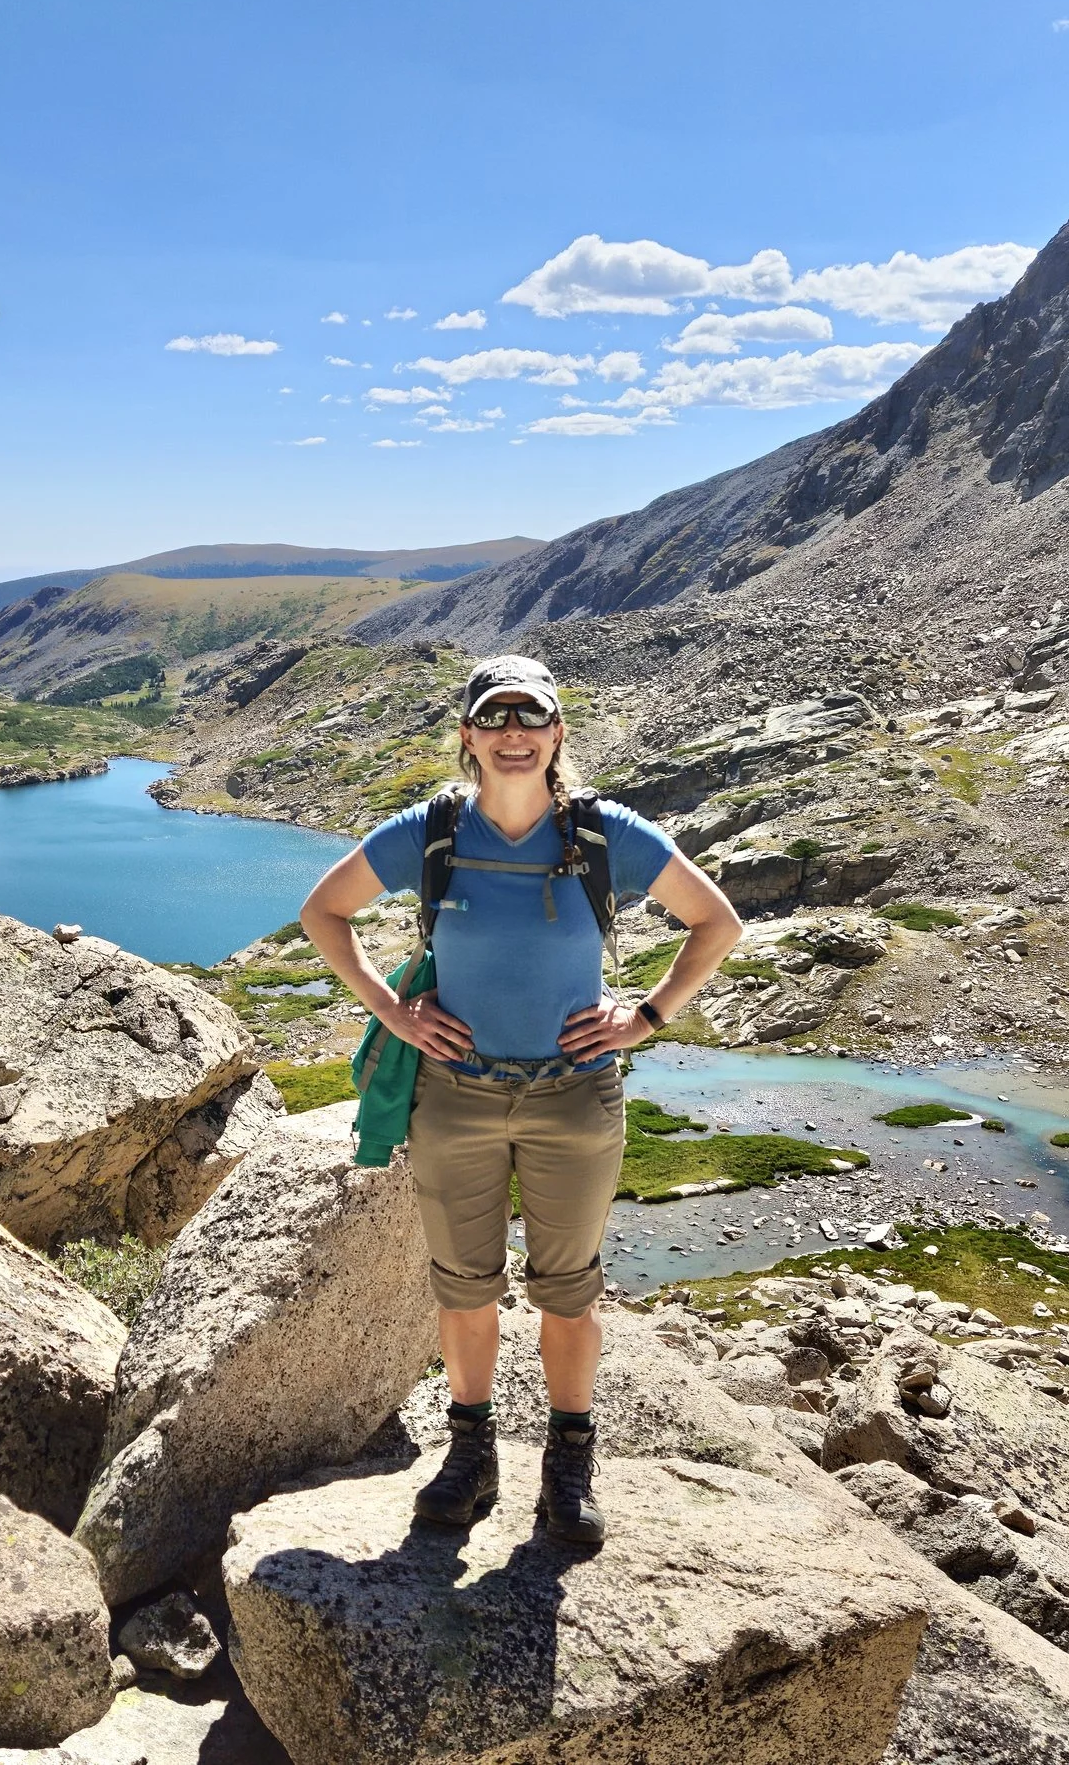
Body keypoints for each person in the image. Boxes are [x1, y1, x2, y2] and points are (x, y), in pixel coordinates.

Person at [298, 653, 743, 1543]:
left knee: (567, 1290)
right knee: (463, 1287)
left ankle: (568, 1467)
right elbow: (323, 912)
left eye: (529, 718)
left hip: (575, 1096)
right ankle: (471, 1454)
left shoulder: (603, 834)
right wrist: (393, 1011)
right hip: (453, 1097)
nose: (512, 734)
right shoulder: (432, 832)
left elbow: (717, 922)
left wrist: (647, 1016)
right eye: (494, 718)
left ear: (555, 734)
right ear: (467, 736)